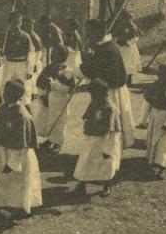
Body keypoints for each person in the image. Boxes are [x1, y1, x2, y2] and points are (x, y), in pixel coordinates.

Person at [0, 79, 42, 219]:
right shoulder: (4, 108)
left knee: (16, 182)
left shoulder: (22, 116)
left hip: (16, 155)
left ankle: (19, 207)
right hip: (1, 150)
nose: (4, 95)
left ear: (17, 96)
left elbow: (22, 144)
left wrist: (12, 164)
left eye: (8, 93)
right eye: (5, 92)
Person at [80, 18, 135, 149]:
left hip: (111, 92)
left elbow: (94, 71)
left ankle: (110, 149)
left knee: (110, 121)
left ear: (99, 32)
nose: (87, 36)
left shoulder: (107, 49)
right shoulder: (103, 46)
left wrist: (82, 67)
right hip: (109, 88)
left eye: (89, 32)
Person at [73, 78, 122, 197]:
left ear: (100, 93)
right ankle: (83, 182)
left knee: (106, 163)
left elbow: (111, 131)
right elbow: (86, 116)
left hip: (105, 140)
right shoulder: (95, 103)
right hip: (92, 137)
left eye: (93, 92)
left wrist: (107, 149)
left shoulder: (110, 107)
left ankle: (107, 184)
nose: (91, 95)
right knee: (86, 159)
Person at [34, 44, 76, 154]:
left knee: (59, 121)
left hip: (61, 100)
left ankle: (58, 143)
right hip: (49, 98)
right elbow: (39, 82)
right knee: (48, 119)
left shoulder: (67, 71)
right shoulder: (48, 68)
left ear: (63, 57)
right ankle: (50, 139)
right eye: (51, 54)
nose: (52, 56)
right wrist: (42, 95)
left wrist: (53, 84)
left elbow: (68, 88)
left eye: (55, 54)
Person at [1, 11, 34, 106]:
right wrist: (2, 54)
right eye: (13, 22)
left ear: (21, 23)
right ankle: (6, 105)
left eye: (18, 22)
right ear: (9, 23)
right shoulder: (6, 36)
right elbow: (2, 52)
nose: (16, 25)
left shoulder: (25, 36)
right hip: (9, 64)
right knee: (6, 84)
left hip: (21, 64)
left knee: (23, 85)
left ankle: (25, 106)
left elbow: (30, 54)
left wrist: (29, 70)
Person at [114, 11, 142, 87]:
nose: (125, 20)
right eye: (123, 18)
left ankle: (129, 80)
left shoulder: (132, 26)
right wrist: (117, 40)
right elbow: (116, 34)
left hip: (129, 48)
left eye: (127, 18)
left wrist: (127, 43)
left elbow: (136, 37)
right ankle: (122, 79)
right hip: (121, 48)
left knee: (129, 63)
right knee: (122, 63)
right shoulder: (120, 25)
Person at [23, 17, 43, 100]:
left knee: (33, 76)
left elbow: (39, 50)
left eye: (31, 26)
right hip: (28, 56)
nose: (30, 27)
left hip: (34, 57)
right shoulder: (25, 34)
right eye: (28, 26)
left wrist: (35, 62)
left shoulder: (34, 36)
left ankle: (34, 93)